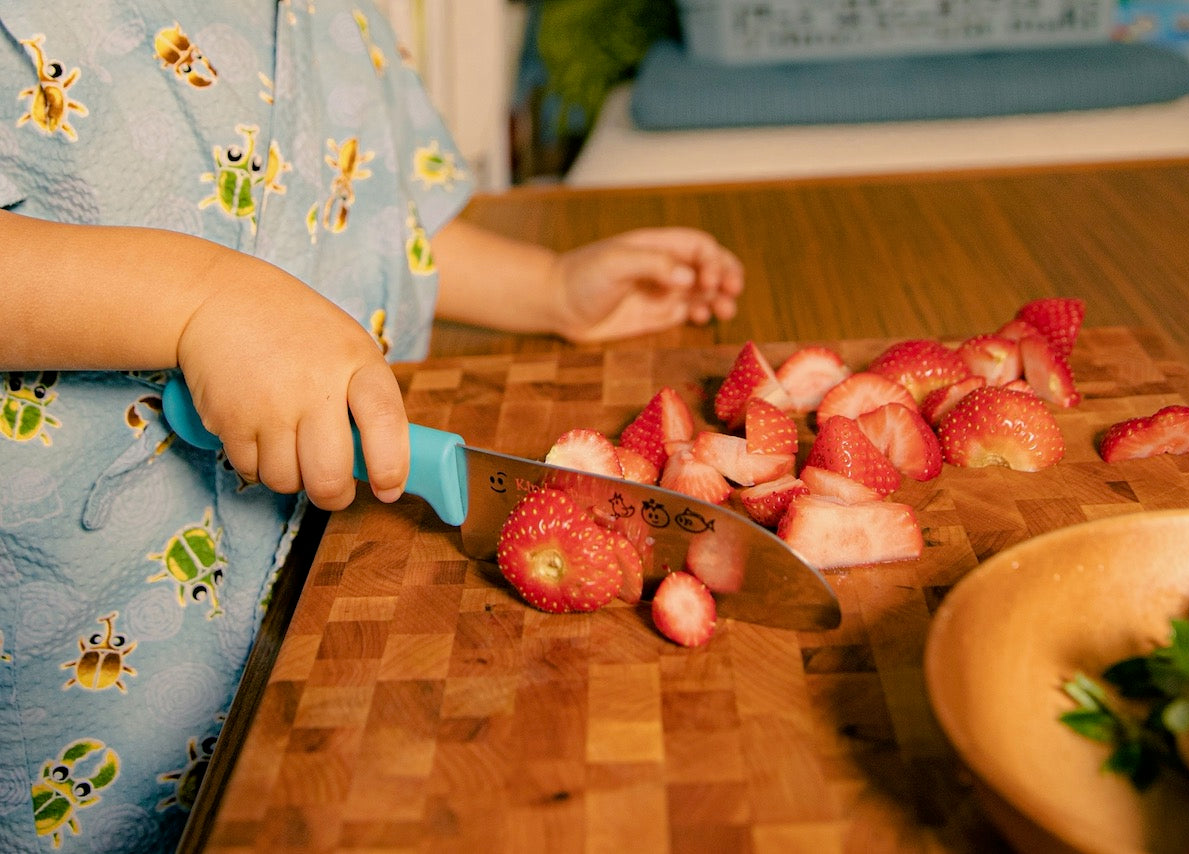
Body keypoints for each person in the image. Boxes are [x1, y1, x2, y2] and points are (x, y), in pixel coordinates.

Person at [0, 4, 743, 852]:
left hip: (331, 643)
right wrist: (199, 299)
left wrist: (547, 289)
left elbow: (366, 212)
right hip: (94, 698)